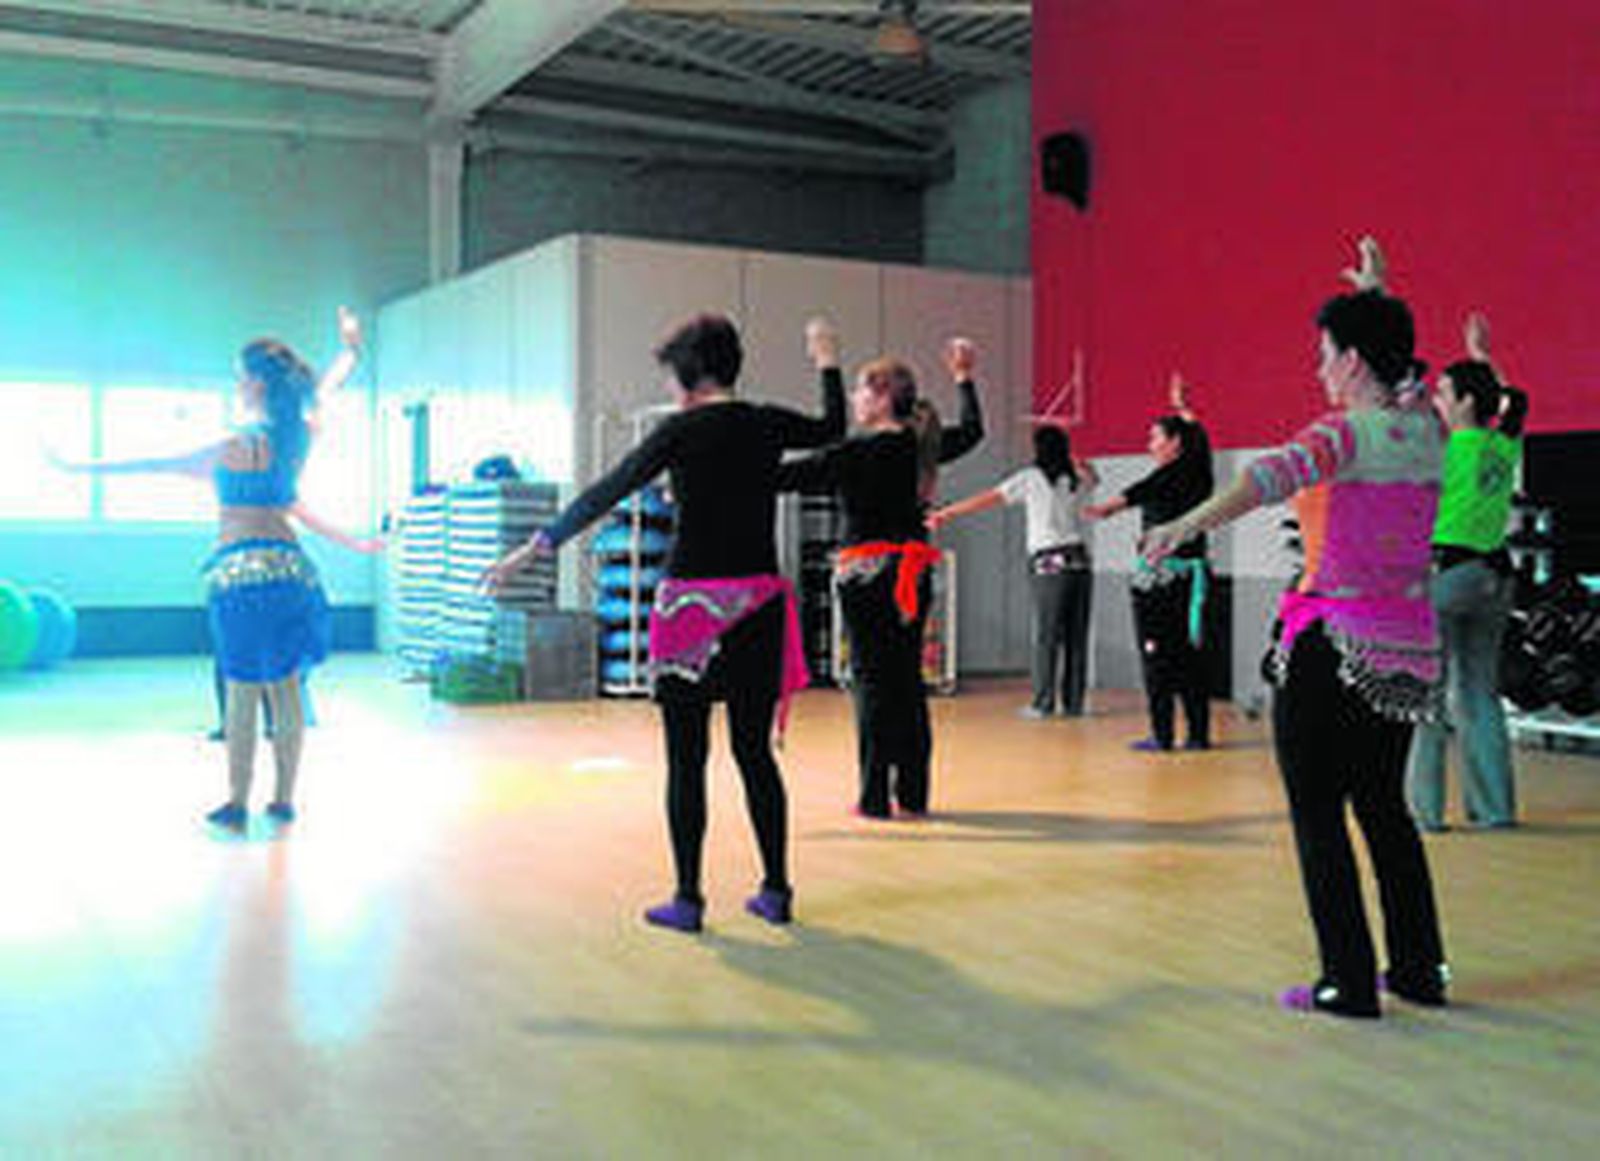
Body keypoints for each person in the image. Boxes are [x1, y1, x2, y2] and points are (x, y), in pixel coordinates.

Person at [1141, 239, 1450, 1019]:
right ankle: (1419, 968)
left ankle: (1346, 979)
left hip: (1334, 642)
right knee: (1384, 807)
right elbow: (1407, 372)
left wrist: (1182, 523)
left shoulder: (1343, 433)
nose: (1318, 369)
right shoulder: (1428, 432)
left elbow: (1263, 478)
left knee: (1317, 813)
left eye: (1324, 354)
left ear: (1350, 361)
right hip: (1409, 650)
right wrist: (1377, 295)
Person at [483, 314, 845, 933]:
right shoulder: (764, 422)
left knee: (687, 760)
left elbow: (609, 489)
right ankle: (777, 890)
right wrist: (826, 358)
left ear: (689, 375)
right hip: (757, 606)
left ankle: (688, 898)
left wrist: (535, 545)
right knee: (756, 753)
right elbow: (832, 428)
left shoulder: (681, 431)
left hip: (691, 615)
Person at [53, 308, 368, 831]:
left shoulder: (230, 449)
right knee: (287, 690)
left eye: (240, 376)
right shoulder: (299, 438)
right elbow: (327, 390)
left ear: (258, 385)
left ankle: (237, 801)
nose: (237, 385)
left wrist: (76, 467)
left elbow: (149, 462)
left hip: (239, 579)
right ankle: (284, 799)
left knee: (243, 691)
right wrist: (351, 351)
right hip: (293, 574)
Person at [777, 329, 984, 819]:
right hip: (910, 575)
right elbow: (973, 431)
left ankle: (874, 797)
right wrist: (964, 378)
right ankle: (912, 794)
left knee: (872, 684)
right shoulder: (922, 445)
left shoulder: (858, 452)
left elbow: (787, 477)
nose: (853, 398)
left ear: (883, 396)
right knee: (907, 682)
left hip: (867, 578)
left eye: (859, 389)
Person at [1405, 312, 1528, 831]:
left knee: (1427, 700)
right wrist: (1482, 357)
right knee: (1480, 695)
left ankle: (1424, 814)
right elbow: (1513, 400)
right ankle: (1495, 811)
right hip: (1496, 577)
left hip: (1449, 576)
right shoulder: (1502, 446)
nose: (1438, 400)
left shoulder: (1448, 448)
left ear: (1466, 404)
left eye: (1445, 393)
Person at [929, 425, 1098, 718]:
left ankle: (1043, 703)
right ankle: (1074, 704)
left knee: (1047, 635)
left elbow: (988, 498)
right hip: (1080, 560)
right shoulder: (1073, 477)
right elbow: (1094, 477)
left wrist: (945, 514)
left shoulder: (1030, 478)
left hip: (1048, 561)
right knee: (1076, 636)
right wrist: (1076, 459)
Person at [1082, 375, 1215, 750]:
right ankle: (1198, 733)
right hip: (1191, 580)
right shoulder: (1199, 475)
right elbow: (1201, 444)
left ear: (1174, 444)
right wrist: (1184, 408)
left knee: (1157, 656)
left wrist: (1105, 508)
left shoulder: (1170, 475)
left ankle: (1162, 734)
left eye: (1155, 438)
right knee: (1189, 658)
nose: (1149, 445)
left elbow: (1141, 491)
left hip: (1163, 584)